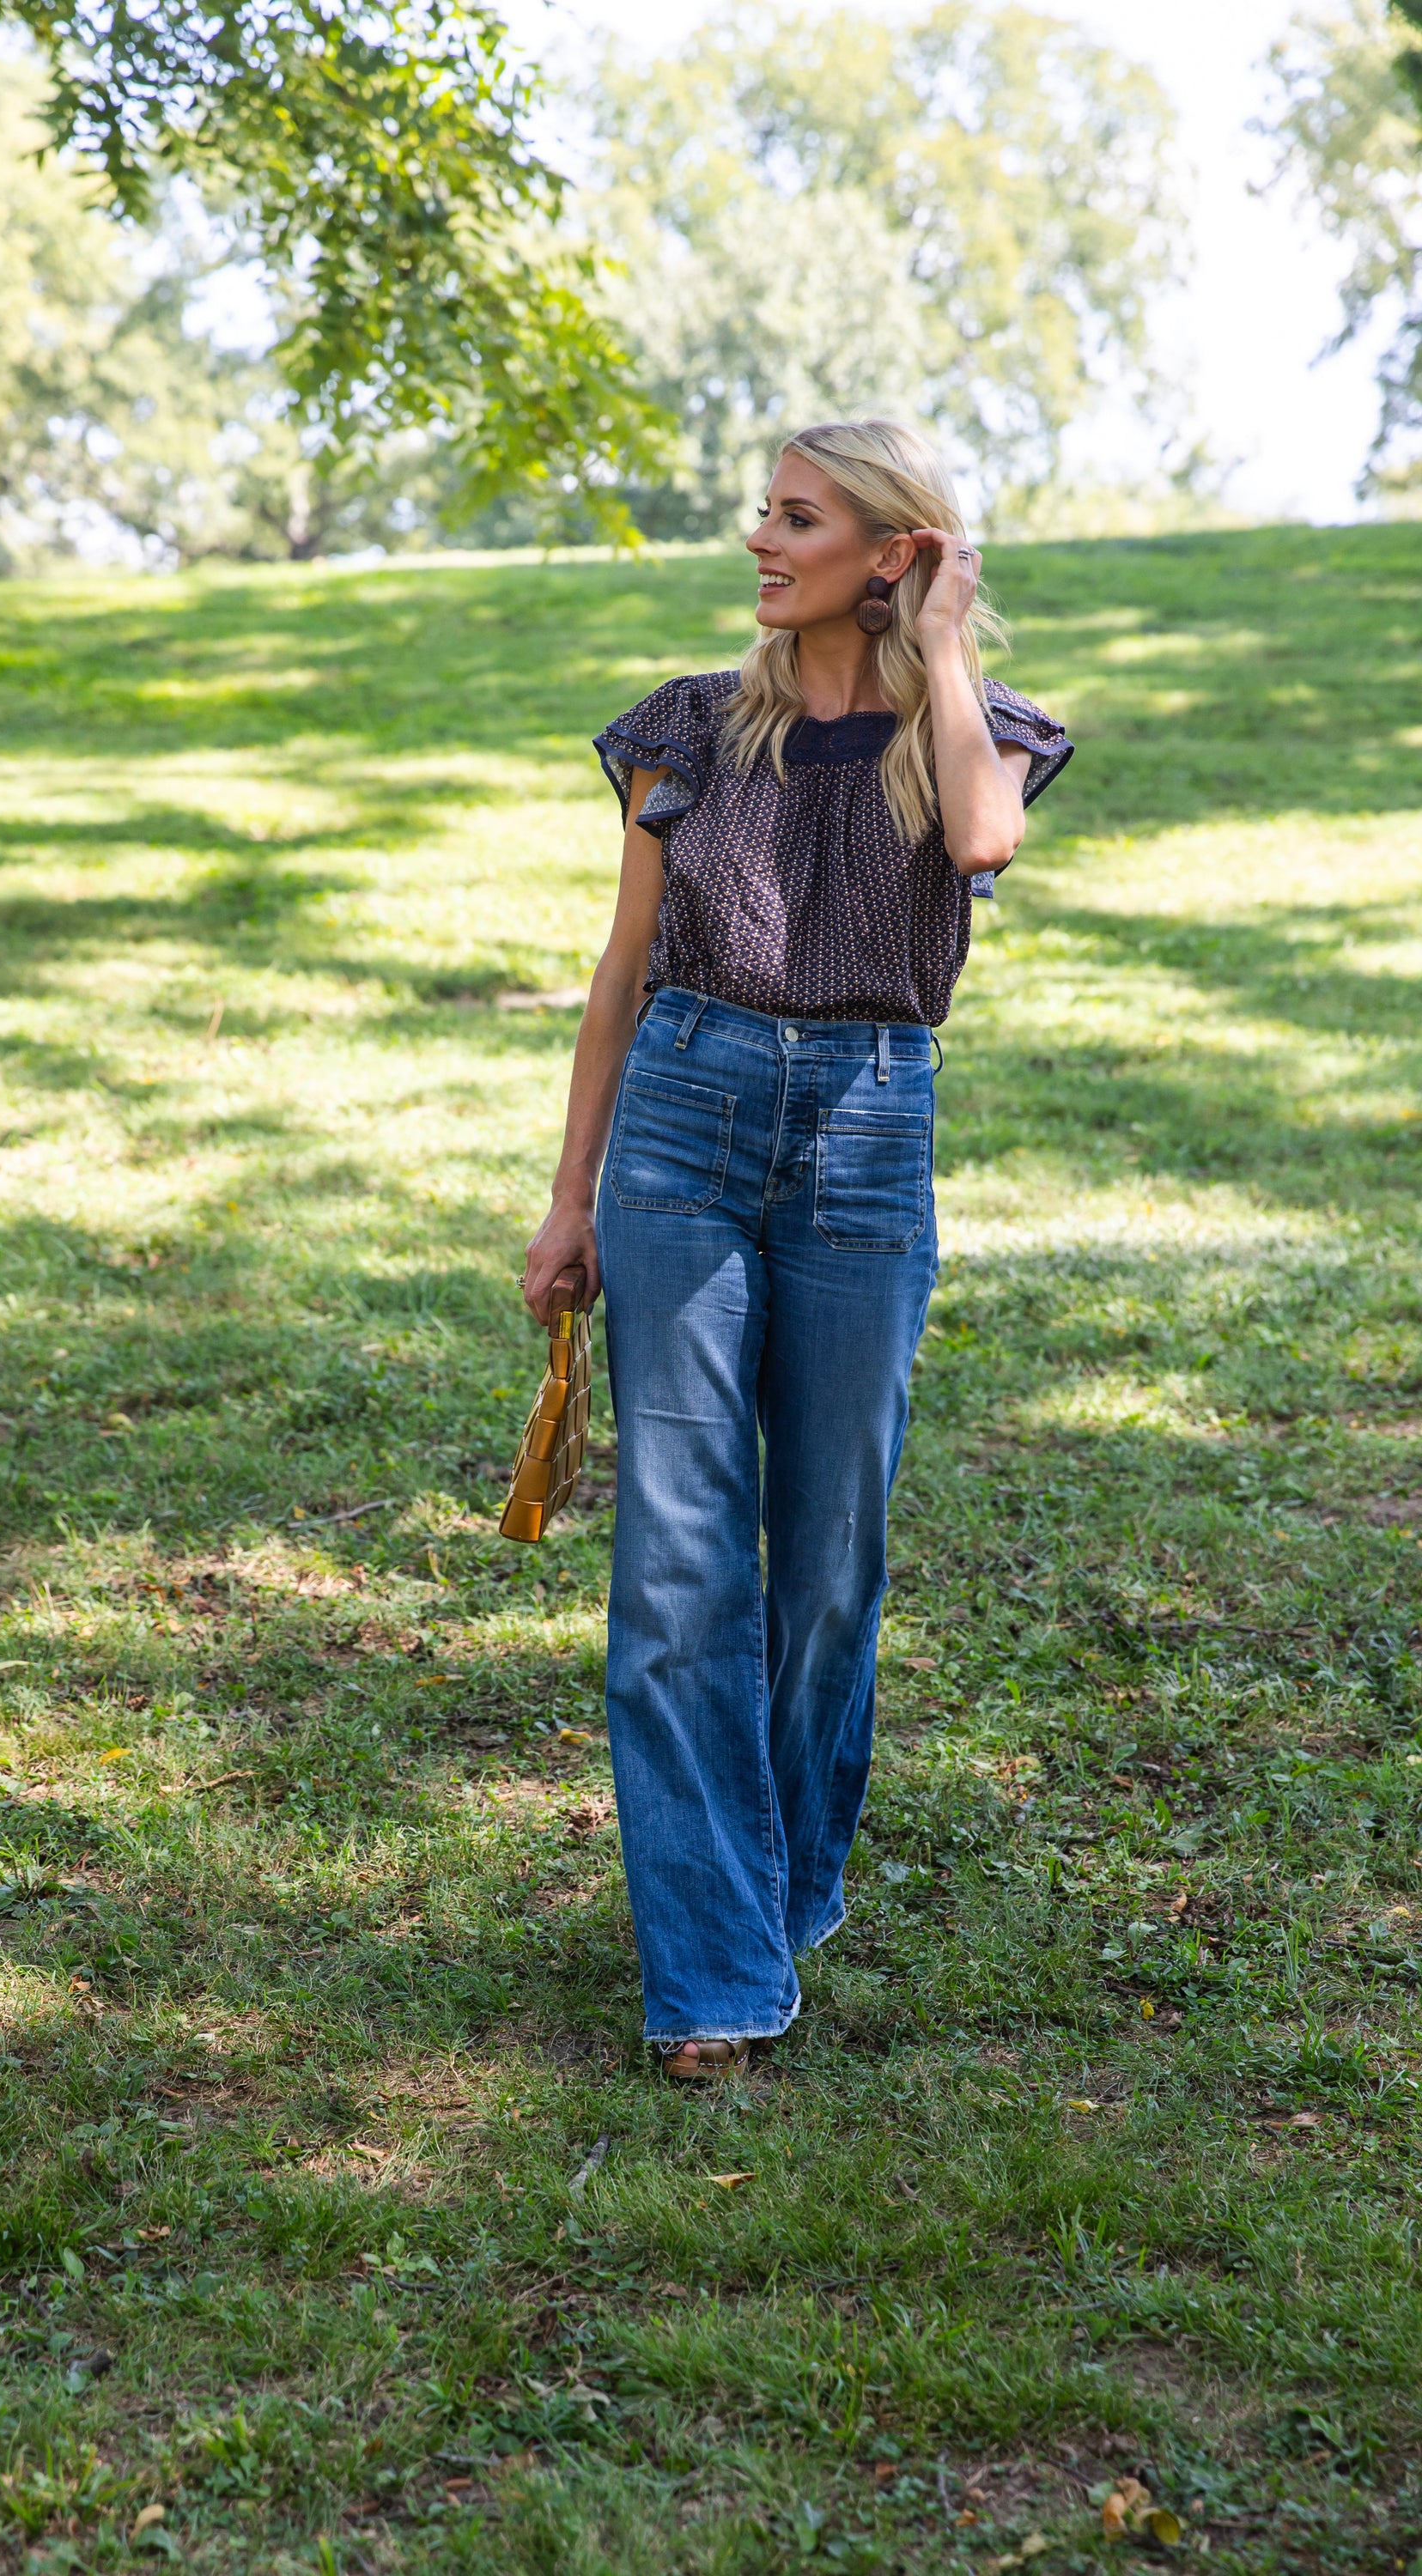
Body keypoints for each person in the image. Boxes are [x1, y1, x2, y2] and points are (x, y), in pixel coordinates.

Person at [520, 417, 1073, 2078]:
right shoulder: (688, 728)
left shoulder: (978, 730)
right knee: (681, 1567)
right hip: (682, 1129)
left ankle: (773, 1880)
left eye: (802, 519)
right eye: (763, 512)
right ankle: (711, 1972)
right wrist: (570, 1193)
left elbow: (983, 844)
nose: (763, 542)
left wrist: (952, 639)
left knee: (829, 1563)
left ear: (893, 551)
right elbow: (621, 972)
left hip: (864, 1131)